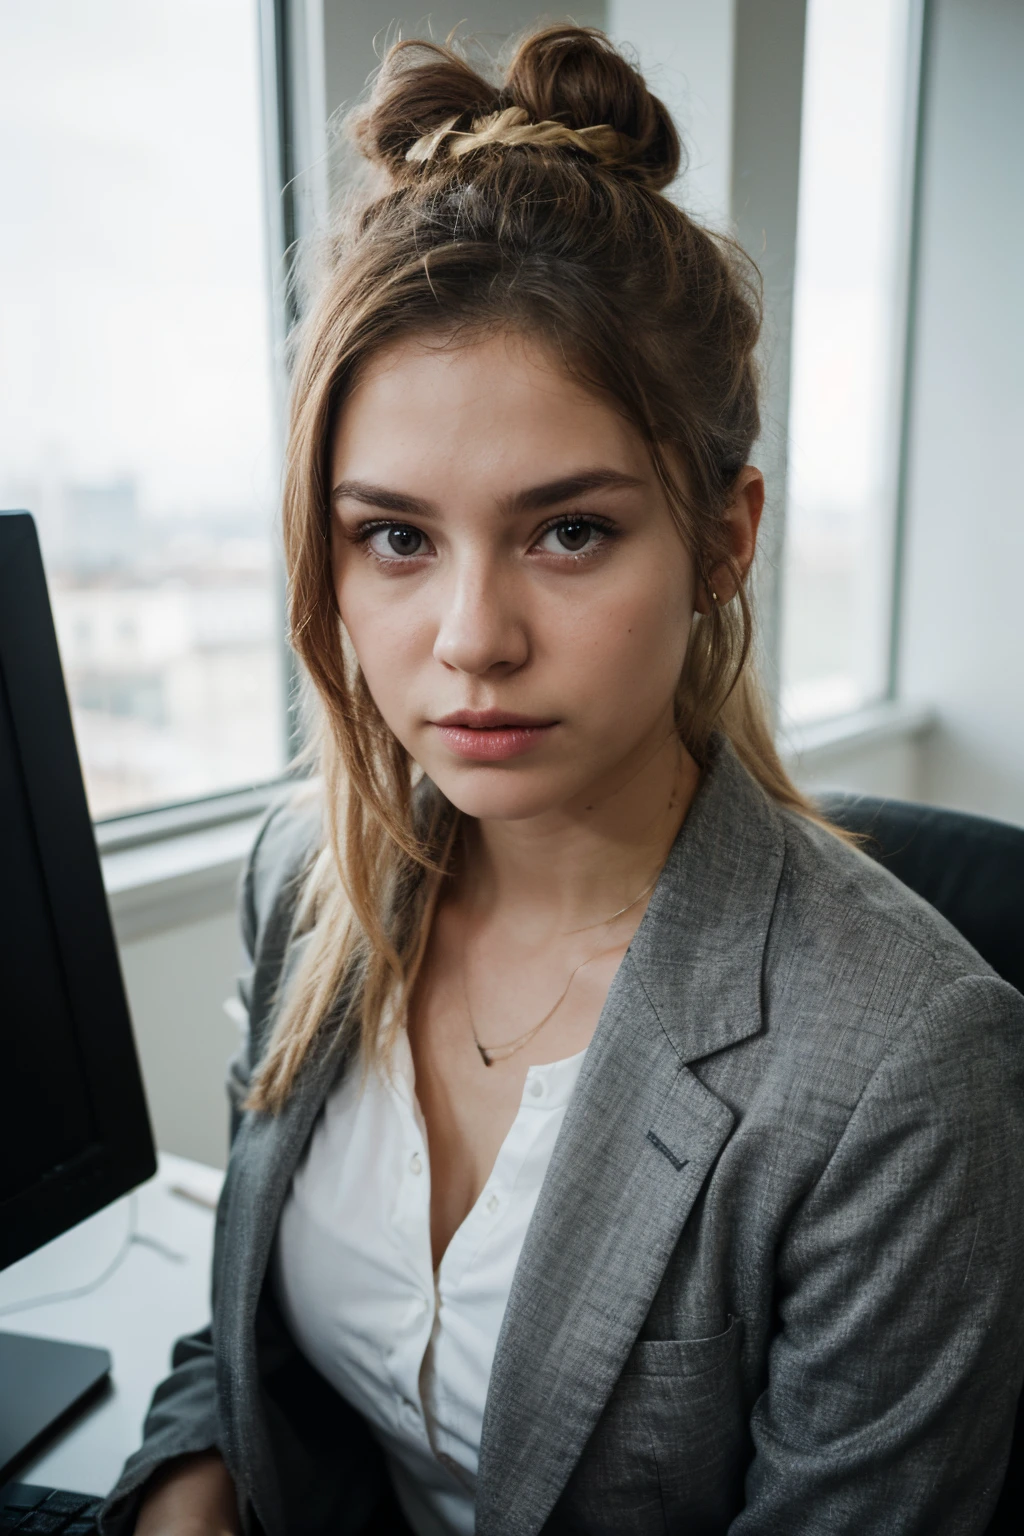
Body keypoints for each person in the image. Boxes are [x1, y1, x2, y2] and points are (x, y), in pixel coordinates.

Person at [101, 25, 1024, 1536]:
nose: (471, 641)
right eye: (395, 537)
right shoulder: (307, 884)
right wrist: (188, 1501)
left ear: (724, 538)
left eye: (569, 531)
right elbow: (247, 1337)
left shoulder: (900, 1070)